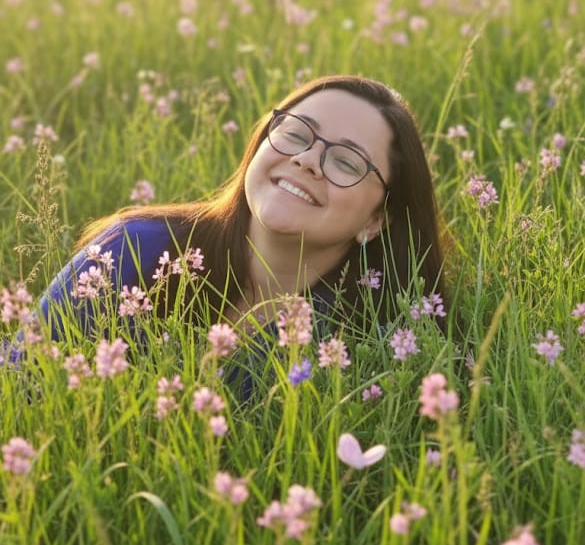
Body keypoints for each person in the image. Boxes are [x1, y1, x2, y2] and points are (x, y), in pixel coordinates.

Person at [7, 75, 446, 387]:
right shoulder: (132, 249)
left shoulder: (365, 340)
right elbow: (16, 384)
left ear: (376, 220)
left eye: (347, 162)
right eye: (295, 134)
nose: (308, 159)